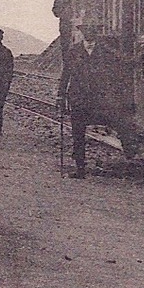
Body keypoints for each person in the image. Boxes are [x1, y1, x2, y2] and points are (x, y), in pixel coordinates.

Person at [58, 26, 106, 178]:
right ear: (83, 33)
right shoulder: (73, 51)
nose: (89, 34)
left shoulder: (105, 51)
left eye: (92, 31)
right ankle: (80, 169)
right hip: (78, 98)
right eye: (86, 31)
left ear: (96, 33)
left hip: (98, 99)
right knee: (78, 134)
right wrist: (61, 95)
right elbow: (66, 74)